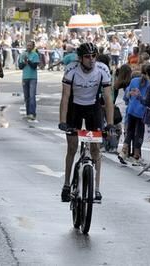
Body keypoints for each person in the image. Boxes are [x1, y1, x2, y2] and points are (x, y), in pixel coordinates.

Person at [58, 43, 114, 203]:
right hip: (75, 107)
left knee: (96, 150)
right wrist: (62, 121)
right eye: (88, 57)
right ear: (80, 58)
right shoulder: (71, 70)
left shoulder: (102, 70)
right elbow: (65, 97)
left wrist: (109, 124)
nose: (91, 60)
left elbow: (108, 98)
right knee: (72, 147)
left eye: (94, 56)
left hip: (93, 108)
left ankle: (96, 188)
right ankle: (67, 185)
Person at [18, 41, 40, 121]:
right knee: (26, 97)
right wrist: (24, 62)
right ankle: (28, 113)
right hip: (25, 77)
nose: (28, 47)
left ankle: (32, 113)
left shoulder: (35, 55)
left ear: (33, 47)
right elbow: (20, 66)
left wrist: (28, 61)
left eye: (30, 46)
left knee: (32, 96)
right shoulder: (23, 54)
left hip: (33, 78)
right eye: (27, 45)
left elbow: (34, 66)